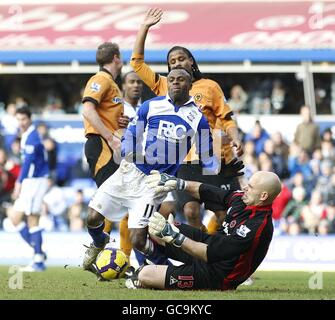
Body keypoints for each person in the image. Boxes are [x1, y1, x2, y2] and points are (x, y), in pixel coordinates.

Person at [83, 68, 221, 272]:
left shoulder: (197, 119)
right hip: (129, 171)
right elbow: (131, 134)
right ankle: (99, 241)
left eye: (180, 80)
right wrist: (131, 152)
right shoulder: (151, 106)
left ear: (189, 85)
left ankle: (165, 268)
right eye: (172, 79)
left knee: (139, 240)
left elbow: (207, 154)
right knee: (92, 217)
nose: (175, 83)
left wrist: (218, 165)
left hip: (154, 183)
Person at [130, 8, 243, 234]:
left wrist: (236, 139)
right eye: (172, 61)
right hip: (182, 160)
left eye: (181, 58)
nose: (176, 63)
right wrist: (144, 27)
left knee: (222, 213)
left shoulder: (210, 86)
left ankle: (213, 249)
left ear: (191, 61)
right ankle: (202, 252)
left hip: (211, 158)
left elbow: (227, 119)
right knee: (190, 212)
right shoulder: (164, 85)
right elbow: (137, 63)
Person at [125, 170, 281, 291]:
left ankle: (155, 270)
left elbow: (209, 253)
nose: (245, 187)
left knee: (145, 275)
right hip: (209, 244)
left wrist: (174, 237)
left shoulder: (257, 227)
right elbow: (207, 191)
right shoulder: (241, 199)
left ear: (263, 195)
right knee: (154, 227)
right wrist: (177, 183)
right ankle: (158, 261)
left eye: (251, 187)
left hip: (218, 275)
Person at [81, 42, 129, 270]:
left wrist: (120, 123)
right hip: (101, 146)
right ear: (117, 58)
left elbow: (103, 113)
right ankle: (100, 243)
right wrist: (110, 137)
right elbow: (88, 109)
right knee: (113, 199)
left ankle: (101, 244)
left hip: (109, 146)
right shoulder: (100, 79)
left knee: (119, 199)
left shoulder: (113, 85)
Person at [10, 107, 49, 272]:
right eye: (18, 119)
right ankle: (38, 251)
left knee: (32, 218)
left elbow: (28, 164)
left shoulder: (32, 136)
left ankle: (38, 261)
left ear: (30, 119)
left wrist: (18, 183)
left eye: (23, 119)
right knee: (14, 218)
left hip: (34, 181)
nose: (21, 123)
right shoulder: (25, 135)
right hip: (30, 182)